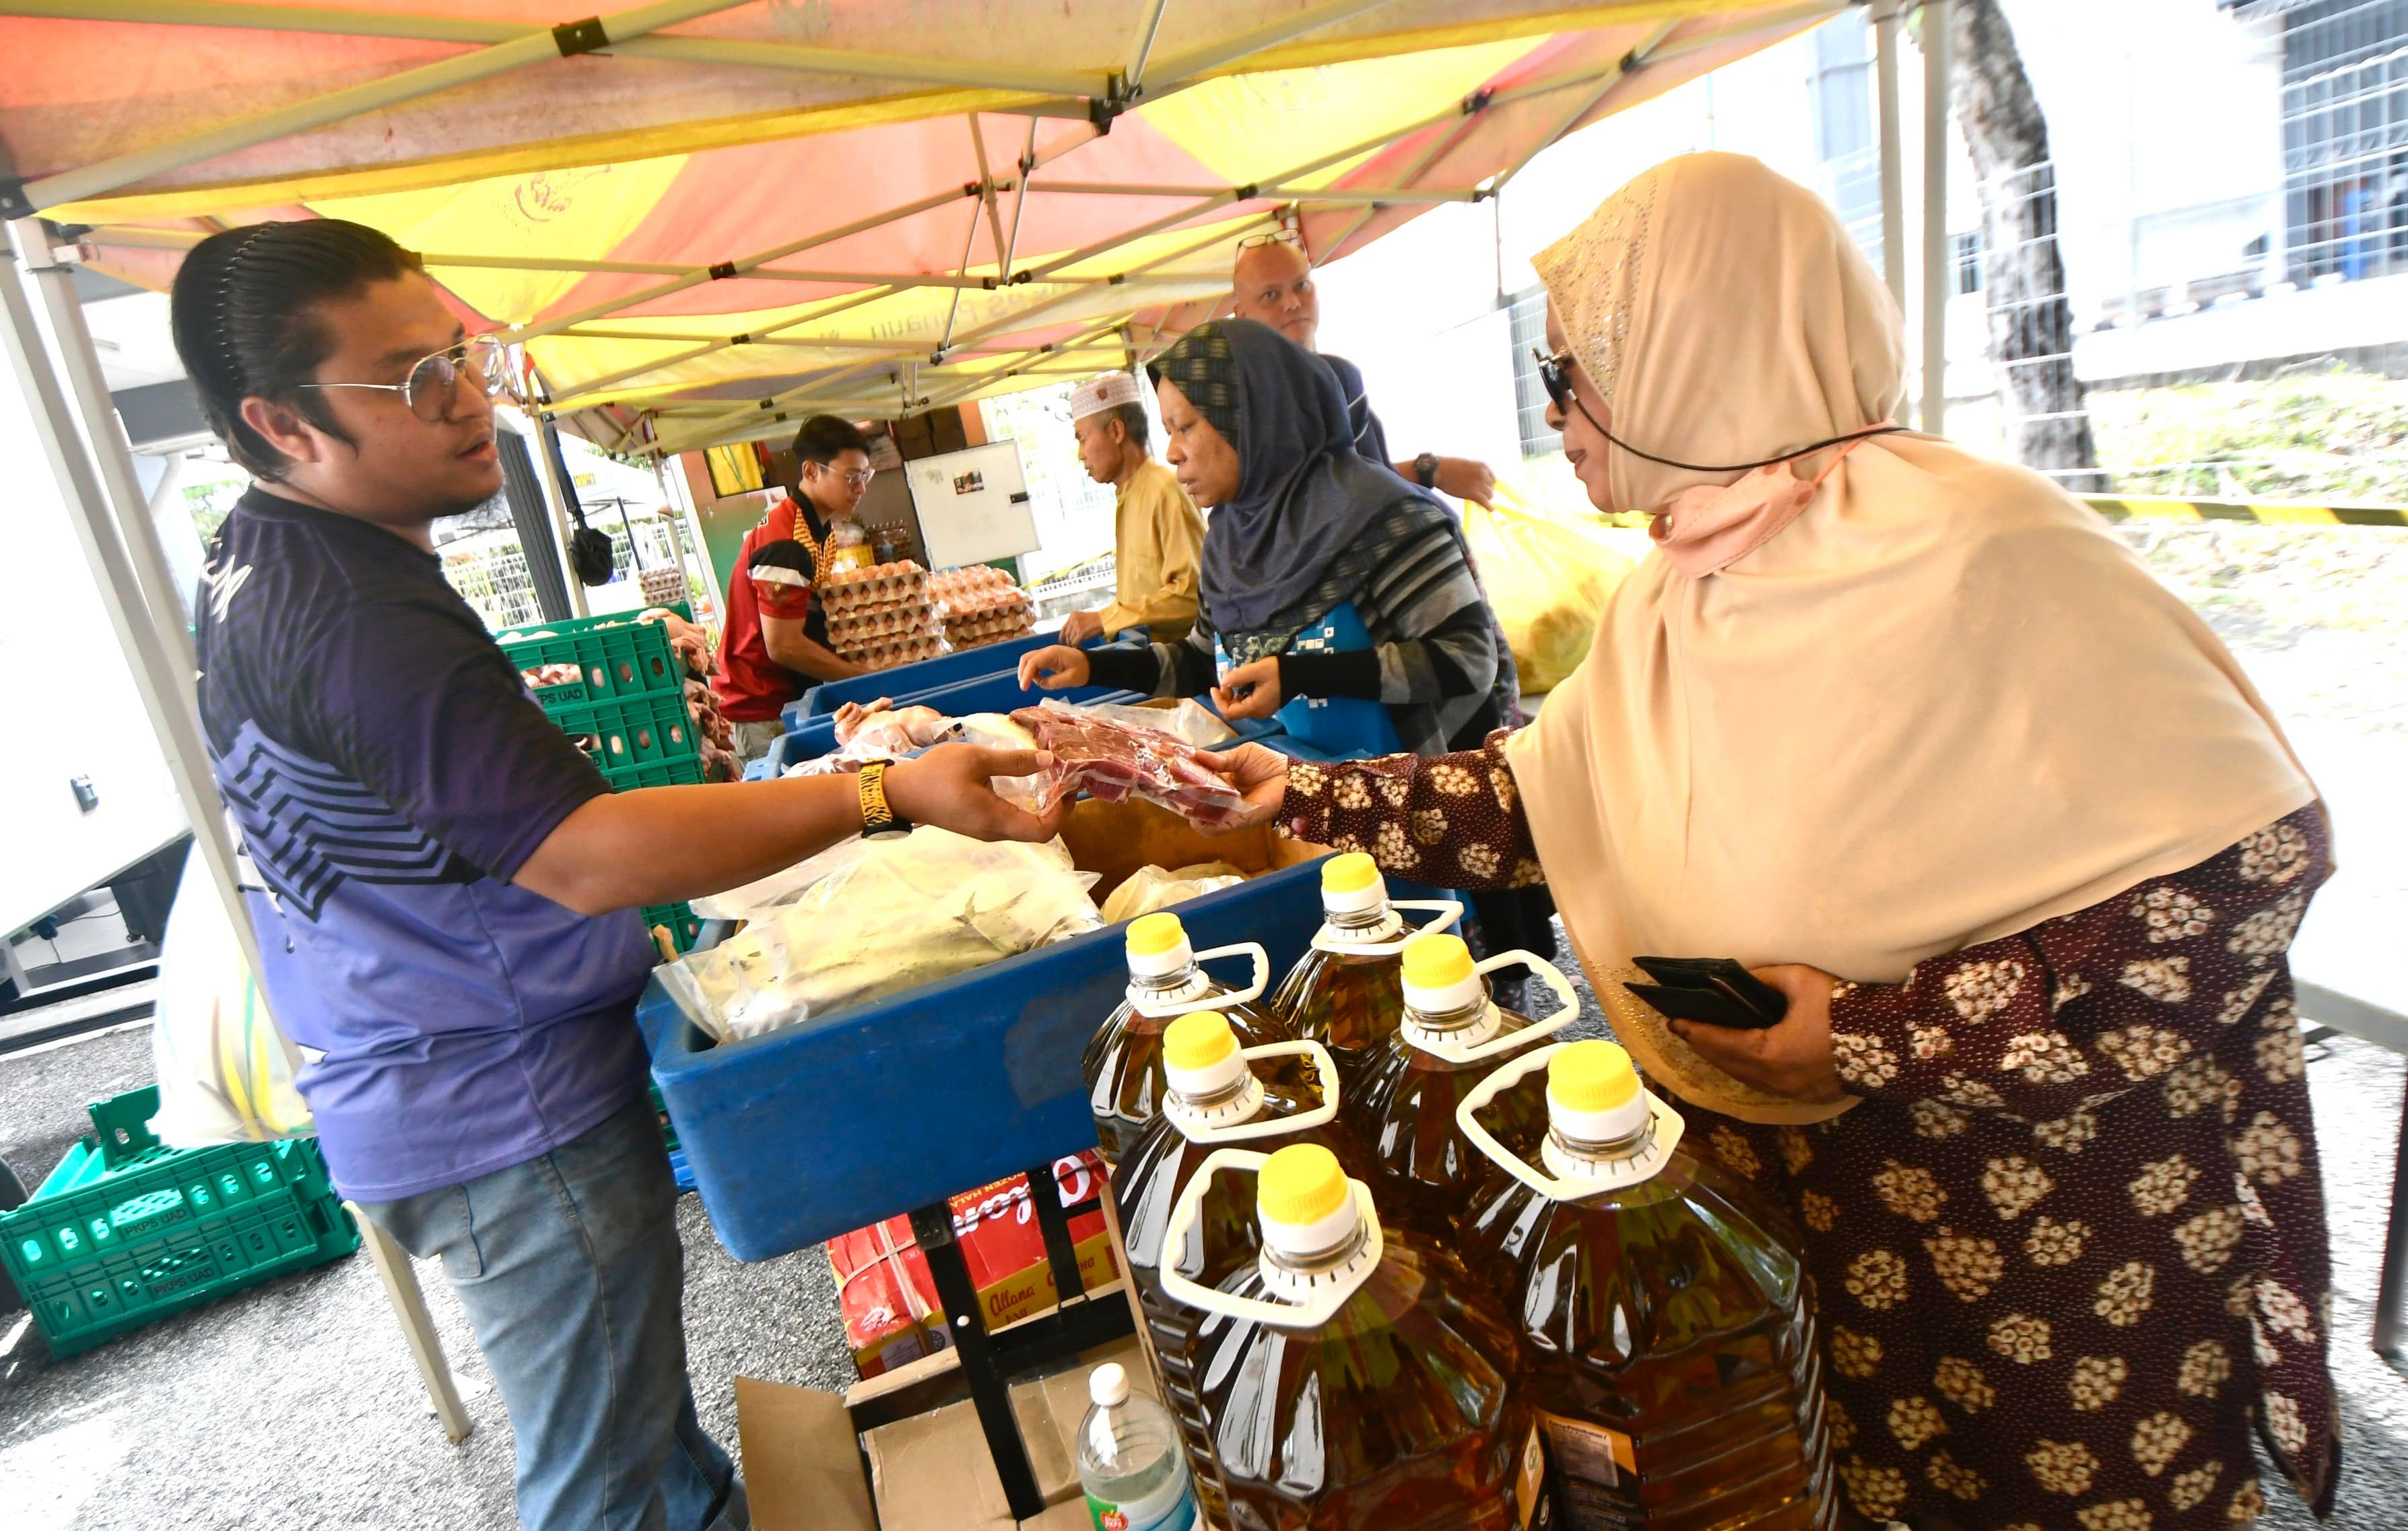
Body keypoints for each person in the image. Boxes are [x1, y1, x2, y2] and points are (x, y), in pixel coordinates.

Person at [1200, 154, 2339, 1530]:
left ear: (1705, 352)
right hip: (1817, 1210)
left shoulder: (1986, 553)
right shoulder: (1678, 586)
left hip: (2043, 1230)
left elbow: (2239, 874)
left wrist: (1872, 1030)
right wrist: (1301, 799)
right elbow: (1549, 796)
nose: (1554, 414)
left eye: (1577, 372)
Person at [170, 220, 1064, 1531]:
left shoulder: (270, 558)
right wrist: (881, 787)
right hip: (497, 1103)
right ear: (282, 422)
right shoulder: (362, 616)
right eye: (412, 379)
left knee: (651, 1459)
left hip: (422, 1064)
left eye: (462, 354)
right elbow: (588, 856)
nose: (469, 396)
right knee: (602, 1488)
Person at [1230, 231, 1498, 506]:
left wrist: (1431, 473)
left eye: (1302, 286)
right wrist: (1431, 471)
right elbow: (1337, 502)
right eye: (1270, 295)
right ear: (1241, 316)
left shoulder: (1337, 378)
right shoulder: (1247, 407)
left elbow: (1364, 474)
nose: (1293, 303)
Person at [713, 414, 877, 759]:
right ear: (811, 472)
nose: (861, 487)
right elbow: (783, 646)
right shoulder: (787, 543)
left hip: (786, 696)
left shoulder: (818, 528)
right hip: (763, 707)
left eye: (865, 476)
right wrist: (861, 677)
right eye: (851, 477)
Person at [1055, 372, 1205, 647]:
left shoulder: (1166, 489)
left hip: (1186, 672)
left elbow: (1192, 595)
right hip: (1152, 668)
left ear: (1116, 431)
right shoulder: (1129, 494)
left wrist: (1108, 618)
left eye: (1082, 438)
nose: (1080, 454)